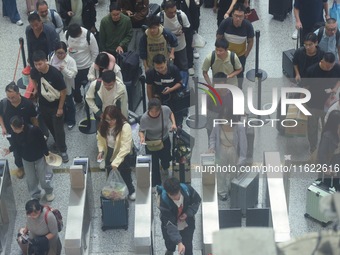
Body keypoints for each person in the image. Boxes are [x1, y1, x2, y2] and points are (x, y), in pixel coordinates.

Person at [3, 116, 55, 201]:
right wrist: (10, 149)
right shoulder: (14, 132)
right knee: (31, 179)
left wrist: (46, 154)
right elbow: (15, 144)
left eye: (15, 129)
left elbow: (42, 142)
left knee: (44, 177)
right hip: (26, 159)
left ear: (22, 126)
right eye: (12, 128)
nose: (13, 130)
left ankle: (49, 191)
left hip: (39, 157)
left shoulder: (34, 130)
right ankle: (35, 194)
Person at [30, 50, 69, 163]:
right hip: (43, 106)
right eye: (36, 64)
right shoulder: (35, 71)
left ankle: (63, 150)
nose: (38, 67)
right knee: (50, 126)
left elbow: (63, 91)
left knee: (58, 129)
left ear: (46, 61)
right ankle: (57, 143)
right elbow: (32, 77)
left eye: (40, 64)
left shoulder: (55, 73)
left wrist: (60, 108)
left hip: (55, 106)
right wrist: (37, 89)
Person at [202, 38, 242, 137]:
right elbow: (205, 72)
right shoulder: (210, 58)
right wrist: (210, 85)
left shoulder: (233, 57)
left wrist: (230, 75)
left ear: (226, 50)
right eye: (217, 50)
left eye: (221, 50)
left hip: (232, 86)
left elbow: (239, 69)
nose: (218, 52)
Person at [303, 52, 340, 154]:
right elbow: (305, 88)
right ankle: (313, 147)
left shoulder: (336, 68)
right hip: (313, 104)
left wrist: (335, 89)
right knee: (312, 127)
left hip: (328, 105)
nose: (329, 69)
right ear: (322, 61)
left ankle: (324, 147)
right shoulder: (311, 71)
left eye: (331, 66)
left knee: (328, 127)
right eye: (327, 66)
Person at [97, 105, 136, 200]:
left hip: (122, 154)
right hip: (109, 151)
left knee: (125, 173)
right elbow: (100, 139)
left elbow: (125, 147)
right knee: (110, 173)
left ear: (117, 117)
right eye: (107, 119)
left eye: (112, 120)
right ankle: (115, 192)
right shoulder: (103, 125)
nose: (110, 122)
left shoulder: (125, 127)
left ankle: (131, 190)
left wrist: (116, 162)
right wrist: (101, 151)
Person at [208, 105, 247, 201]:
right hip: (221, 149)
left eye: (227, 117)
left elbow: (243, 143)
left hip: (233, 150)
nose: (224, 119)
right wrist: (212, 147)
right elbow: (212, 137)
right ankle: (222, 192)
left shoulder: (239, 126)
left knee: (234, 171)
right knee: (221, 172)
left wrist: (242, 157)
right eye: (223, 116)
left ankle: (232, 189)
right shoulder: (217, 125)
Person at [0, 83, 38, 179]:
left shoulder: (28, 104)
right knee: (16, 151)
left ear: (18, 93)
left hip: (27, 134)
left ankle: (32, 164)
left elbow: (33, 118)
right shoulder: (4, 103)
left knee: (30, 149)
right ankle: (20, 167)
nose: (11, 100)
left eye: (13, 97)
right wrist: (3, 127)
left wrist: (37, 131)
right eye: (8, 97)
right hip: (12, 134)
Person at [158, 177, 201, 255]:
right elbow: (170, 225)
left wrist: (187, 213)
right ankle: (170, 251)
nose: (176, 198)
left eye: (177, 194)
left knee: (187, 245)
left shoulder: (187, 190)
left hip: (187, 224)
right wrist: (179, 242)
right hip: (170, 226)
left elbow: (197, 201)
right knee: (170, 243)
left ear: (179, 189)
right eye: (172, 196)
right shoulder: (164, 202)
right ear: (167, 193)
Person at [139, 98, 177, 187]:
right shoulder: (144, 118)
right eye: (153, 112)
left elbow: (171, 113)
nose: (155, 113)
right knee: (154, 165)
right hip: (151, 142)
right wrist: (141, 137)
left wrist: (173, 123)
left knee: (166, 158)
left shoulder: (165, 109)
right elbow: (141, 130)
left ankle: (165, 167)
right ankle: (157, 184)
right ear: (149, 110)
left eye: (157, 111)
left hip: (164, 139)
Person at [216, 3, 254, 89]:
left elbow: (251, 41)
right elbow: (218, 38)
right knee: (224, 72)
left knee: (240, 73)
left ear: (244, 16)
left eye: (241, 16)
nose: (238, 19)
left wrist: (246, 54)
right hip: (226, 55)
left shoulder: (248, 26)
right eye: (236, 16)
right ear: (232, 14)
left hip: (240, 55)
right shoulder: (225, 23)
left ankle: (239, 89)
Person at [145, 54, 184, 127]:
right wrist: (151, 101)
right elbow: (149, 87)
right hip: (159, 96)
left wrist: (171, 89)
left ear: (166, 62)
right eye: (157, 68)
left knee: (177, 114)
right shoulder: (150, 73)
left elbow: (180, 83)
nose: (160, 70)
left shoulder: (173, 69)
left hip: (173, 94)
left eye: (162, 67)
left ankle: (178, 128)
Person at [66, 23, 99, 104]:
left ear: (80, 31)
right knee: (74, 89)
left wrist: (92, 67)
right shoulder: (67, 34)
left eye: (77, 36)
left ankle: (89, 104)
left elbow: (95, 53)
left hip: (87, 67)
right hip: (73, 68)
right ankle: (78, 101)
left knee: (88, 89)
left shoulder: (89, 36)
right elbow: (66, 47)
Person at [49, 42, 78, 130]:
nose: (60, 55)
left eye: (62, 53)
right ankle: (64, 118)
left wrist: (64, 70)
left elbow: (73, 75)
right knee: (60, 103)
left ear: (66, 52)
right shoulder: (52, 57)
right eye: (58, 53)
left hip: (66, 86)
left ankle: (71, 120)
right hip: (55, 86)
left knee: (69, 104)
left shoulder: (70, 61)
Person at [160, 0, 191, 81]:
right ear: (165, 10)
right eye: (170, 12)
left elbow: (187, 27)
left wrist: (182, 31)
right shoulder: (160, 17)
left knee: (183, 66)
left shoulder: (181, 15)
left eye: (174, 11)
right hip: (166, 47)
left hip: (180, 45)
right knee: (166, 67)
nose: (173, 14)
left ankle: (183, 85)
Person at [175, 0, 202, 74]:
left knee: (189, 45)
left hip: (188, 26)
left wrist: (195, 28)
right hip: (174, 26)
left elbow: (195, 13)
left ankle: (190, 65)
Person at [317, 110, 340, 190]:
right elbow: (322, 153)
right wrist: (325, 167)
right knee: (327, 187)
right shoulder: (327, 136)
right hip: (330, 164)